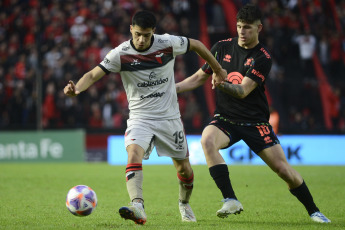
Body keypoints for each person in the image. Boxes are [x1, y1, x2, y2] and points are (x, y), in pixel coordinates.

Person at [64, 10, 227, 225]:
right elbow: (94, 74)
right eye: (138, 34)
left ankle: (184, 203)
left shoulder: (167, 43)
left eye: (146, 35)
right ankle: (137, 206)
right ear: (131, 29)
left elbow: (196, 44)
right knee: (133, 155)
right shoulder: (120, 54)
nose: (141, 40)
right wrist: (77, 89)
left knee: (184, 169)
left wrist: (217, 69)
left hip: (169, 118)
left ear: (154, 33)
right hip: (140, 117)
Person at [176, 4, 330, 223]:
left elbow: (242, 91)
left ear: (259, 28)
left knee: (282, 169)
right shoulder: (222, 47)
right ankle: (230, 199)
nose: (241, 31)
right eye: (239, 26)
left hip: (255, 122)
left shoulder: (262, 57)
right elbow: (201, 76)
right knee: (207, 141)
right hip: (226, 118)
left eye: (247, 27)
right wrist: (175, 88)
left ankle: (314, 210)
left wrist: (221, 83)